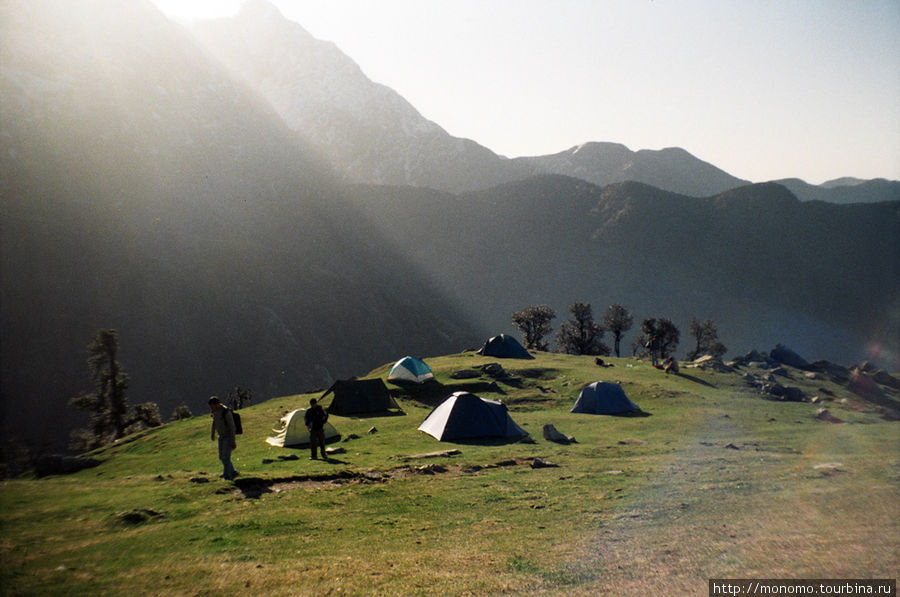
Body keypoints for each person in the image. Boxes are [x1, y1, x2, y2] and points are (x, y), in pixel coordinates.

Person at [209, 396, 237, 480]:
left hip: (227, 437)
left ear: (216, 404)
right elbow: (214, 422)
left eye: (212, 405)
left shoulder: (226, 412)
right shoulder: (215, 412)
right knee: (221, 457)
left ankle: (227, 475)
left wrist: (233, 441)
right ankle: (232, 472)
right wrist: (213, 433)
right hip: (221, 436)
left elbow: (232, 427)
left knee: (225, 457)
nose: (211, 408)